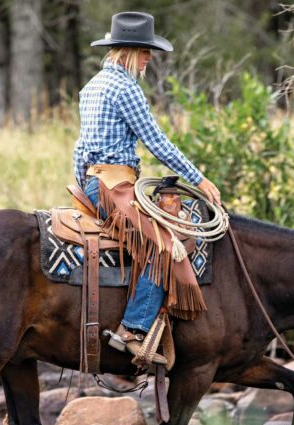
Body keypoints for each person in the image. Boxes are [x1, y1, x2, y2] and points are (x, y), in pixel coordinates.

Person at [73, 11, 221, 365]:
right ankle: (133, 330)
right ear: (127, 50)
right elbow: (157, 142)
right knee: (165, 247)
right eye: (144, 51)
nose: (149, 57)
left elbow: (80, 148)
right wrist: (198, 178)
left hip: (95, 182)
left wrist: (85, 186)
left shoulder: (91, 86)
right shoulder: (125, 88)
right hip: (114, 184)